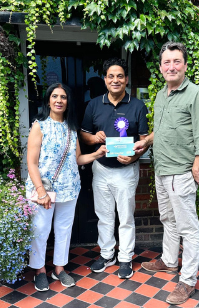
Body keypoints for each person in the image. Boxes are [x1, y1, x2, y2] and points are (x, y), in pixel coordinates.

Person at [133, 42, 199, 305]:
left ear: (185, 65)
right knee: (168, 218)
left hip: (181, 173)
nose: (171, 66)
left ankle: (188, 281)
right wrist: (146, 142)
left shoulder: (196, 95)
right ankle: (169, 261)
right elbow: (164, 129)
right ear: (160, 67)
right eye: (166, 62)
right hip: (162, 170)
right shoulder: (160, 95)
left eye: (176, 61)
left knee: (188, 228)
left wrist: (196, 168)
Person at [26, 83, 107, 291]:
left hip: (69, 189)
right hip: (44, 190)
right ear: (48, 100)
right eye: (55, 96)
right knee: (41, 229)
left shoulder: (71, 128)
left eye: (63, 97)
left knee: (63, 229)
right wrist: (41, 191)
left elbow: (78, 158)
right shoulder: (39, 125)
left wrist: (96, 154)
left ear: (67, 102)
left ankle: (59, 268)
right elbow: (31, 162)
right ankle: (39, 270)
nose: (59, 100)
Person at [80, 58, 149, 279]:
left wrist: (135, 156)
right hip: (101, 169)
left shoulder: (138, 105)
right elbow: (84, 135)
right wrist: (93, 138)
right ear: (105, 79)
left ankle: (126, 257)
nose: (115, 80)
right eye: (111, 76)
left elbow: (145, 139)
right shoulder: (93, 105)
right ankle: (107, 254)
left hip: (127, 171)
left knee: (126, 216)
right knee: (104, 215)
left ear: (126, 80)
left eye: (120, 76)